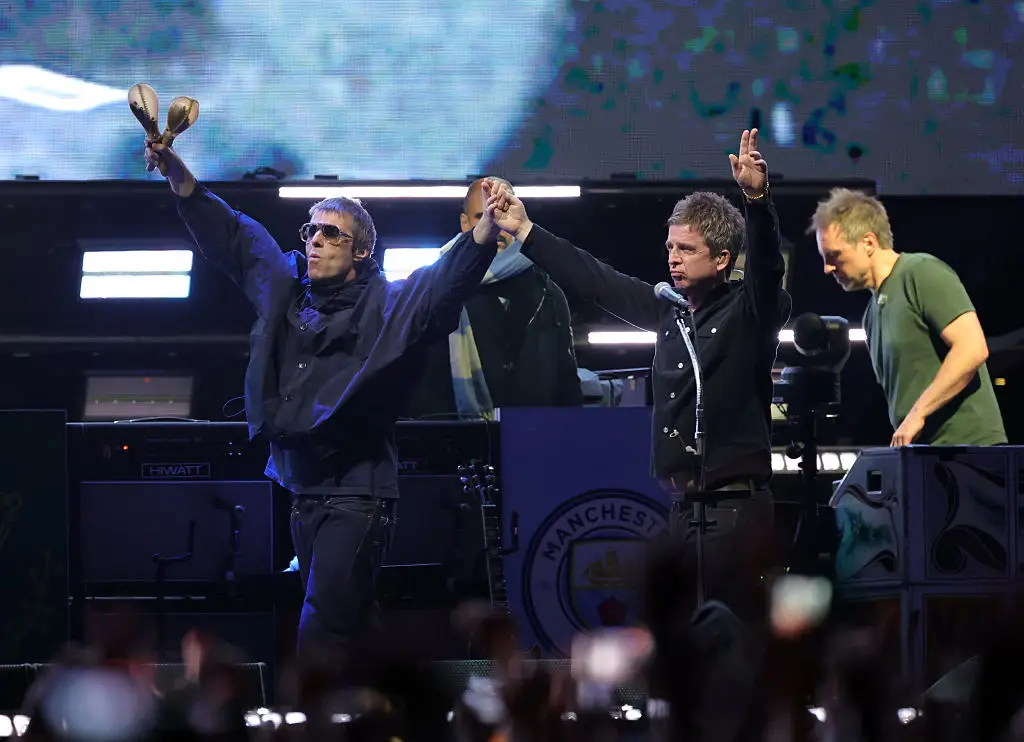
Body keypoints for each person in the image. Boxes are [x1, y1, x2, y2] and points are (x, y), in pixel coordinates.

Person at [484, 129, 790, 741]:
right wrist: (525, 230)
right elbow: (597, 279)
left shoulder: (751, 312)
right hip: (684, 509)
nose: (672, 258)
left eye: (687, 249)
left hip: (735, 509)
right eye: (670, 246)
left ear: (722, 260)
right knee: (678, 650)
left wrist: (758, 205)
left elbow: (768, 270)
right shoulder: (669, 313)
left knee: (733, 649)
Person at [144, 141, 507, 654]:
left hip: (358, 493)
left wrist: (485, 231)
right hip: (303, 490)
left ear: (360, 251)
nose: (315, 241)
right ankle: (387, 710)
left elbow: (443, 283)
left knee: (325, 618)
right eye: (310, 231)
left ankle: (311, 722)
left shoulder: (390, 304)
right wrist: (174, 170)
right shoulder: (286, 287)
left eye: (330, 233)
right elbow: (233, 236)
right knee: (352, 619)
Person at [810, 188, 1006, 446]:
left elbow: (972, 348)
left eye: (834, 255)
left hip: (970, 451)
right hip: (924, 456)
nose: (827, 268)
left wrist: (917, 414)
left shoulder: (921, 272)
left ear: (868, 243)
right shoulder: (872, 314)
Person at [403, 177, 582, 419]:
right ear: (464, 223)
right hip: (455, 440)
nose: (494, 224)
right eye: (483, 216)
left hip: (535, 439)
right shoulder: (434, 287)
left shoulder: (548, 292)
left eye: (502, 212)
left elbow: (566, 382)